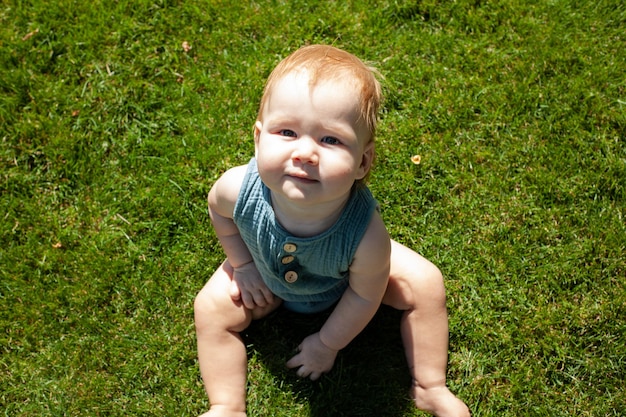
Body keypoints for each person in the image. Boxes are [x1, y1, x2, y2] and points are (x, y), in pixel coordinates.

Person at [194, 44, 470, 417]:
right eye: (287, 132)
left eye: (330, 140)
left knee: (425, 282)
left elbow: (363, 296)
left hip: (340, 288)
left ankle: (430, 385)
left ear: (362, 162)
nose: (305, 153)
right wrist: (242, 265)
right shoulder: (235, 189)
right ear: (258, 138)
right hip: (264, 275)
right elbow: (219, 213)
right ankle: (226, 405)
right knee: (210, 309)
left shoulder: (366, 236)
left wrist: (327, 343)